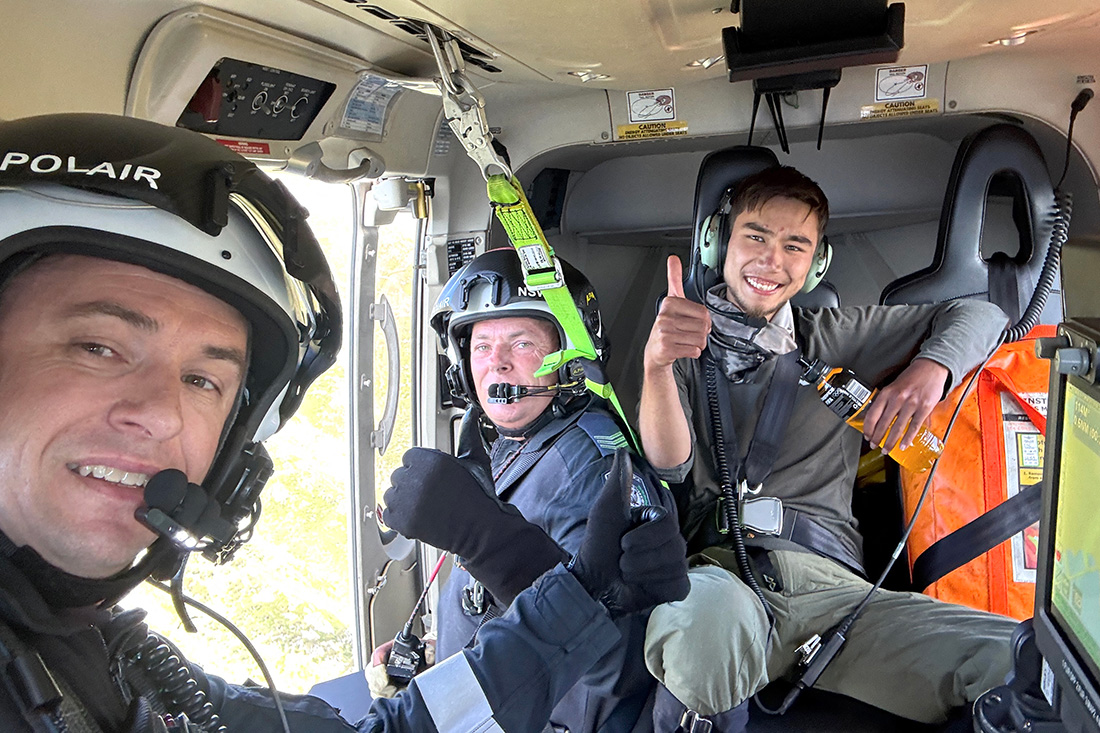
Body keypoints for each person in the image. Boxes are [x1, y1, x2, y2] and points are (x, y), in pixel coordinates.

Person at [0, 112, 689, 733]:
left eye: (202, 378)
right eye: (97, 347)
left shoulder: (582, 461)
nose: (155, 413)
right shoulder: (500, 450)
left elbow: (608, 683)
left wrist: (517, 562)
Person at [638, 165, 1020, 731]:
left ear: (816, 264)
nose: (772, 260)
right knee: (703, 633)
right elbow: (670, 465)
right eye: (756, 236)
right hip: (724, 580)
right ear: (717, 243)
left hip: (840, 600)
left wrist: (928, 368)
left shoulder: (836, 336)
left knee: (1028, 659)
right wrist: (658, 367)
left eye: (796, 245)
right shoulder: (682, 339)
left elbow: (985, 313)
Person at [383, 248, 680, 733]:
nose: (496, 364)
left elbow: (619, 664)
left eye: (521, 344)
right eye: (481, 347)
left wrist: (487, 540)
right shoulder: (510, 443)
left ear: (569, 359)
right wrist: (436, 655)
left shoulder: (590, 467)